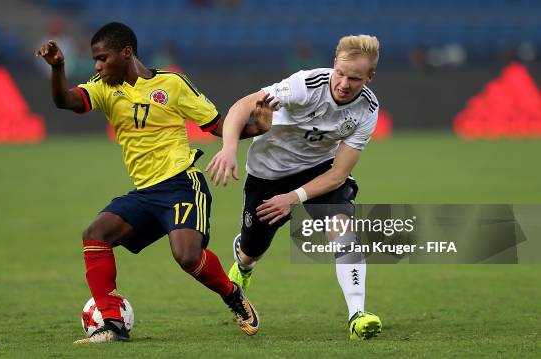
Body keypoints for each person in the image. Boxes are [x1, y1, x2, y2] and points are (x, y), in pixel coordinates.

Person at [36, 22, 276, 344]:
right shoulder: (103, 87)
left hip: (181, 183)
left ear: (126, 53)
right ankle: (112, 325)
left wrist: (255, 129)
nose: (97, 66)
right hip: (145, 192)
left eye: (103, 58)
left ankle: (232, 295)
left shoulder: (172, 85)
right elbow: (65, 101)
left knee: (187, 256)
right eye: (95, 60)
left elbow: (217, 124)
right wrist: (58, 67)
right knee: (95, 234)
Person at [206, 35, 383, 340]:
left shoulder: (367, 110)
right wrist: (229, 148)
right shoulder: (307, 84)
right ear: (334, 65)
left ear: (369, 77)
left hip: (319, 172)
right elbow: (244, 105)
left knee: (342, 228)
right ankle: (243, 263)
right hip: (267, 175)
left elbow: (339, 174)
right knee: (252, 251)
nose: (343, 83)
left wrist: (294, 198)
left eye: (354, 78)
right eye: (340, 73)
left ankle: (357, 314)